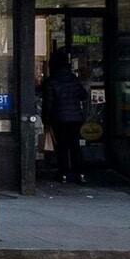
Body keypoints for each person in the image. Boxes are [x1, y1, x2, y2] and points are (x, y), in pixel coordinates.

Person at [42, 49, 89, 184]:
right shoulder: (73, 79)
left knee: (62, 146)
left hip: (59, 118)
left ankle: (63, 174)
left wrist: (46, 120)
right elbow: (83, 95)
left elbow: (48, 103)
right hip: (75, 118)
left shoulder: (52, 81)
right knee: (75, 146)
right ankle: (80, 173)